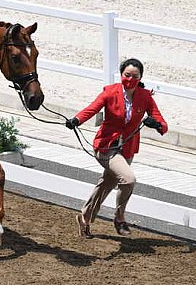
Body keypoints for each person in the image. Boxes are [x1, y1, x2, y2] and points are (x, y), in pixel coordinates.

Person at [65, 58, 167, 238]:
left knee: (107, 183)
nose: (130, 79)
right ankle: (119, 218)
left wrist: (156, 125)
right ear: (121, 75)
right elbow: (92, 109)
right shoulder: (110, 92)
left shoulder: (145, 96)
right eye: (127, 75)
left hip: (127, 148)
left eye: (135, 76)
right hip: (106, 146)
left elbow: (161, 122)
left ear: (141, 77)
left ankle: (84, 218)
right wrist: (76, 120)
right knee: (128, 179)